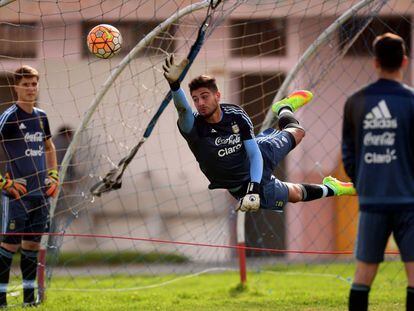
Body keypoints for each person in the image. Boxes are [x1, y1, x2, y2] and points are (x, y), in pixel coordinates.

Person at [162, 54, 356, 215]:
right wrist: (175, 85)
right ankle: (334, 188)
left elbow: (254, 153)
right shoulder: (193, 127)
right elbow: (183, 111)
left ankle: (285, 107)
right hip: (241, 186)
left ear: (217, 96)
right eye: (196, 99)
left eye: (204, 96)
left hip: (259, 156)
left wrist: (253, 187)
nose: (200, 103)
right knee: (295, 195)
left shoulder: (236, 115)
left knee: (298, 132)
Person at [342, 33, 414, 311]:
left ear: (375, 63)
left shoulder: (355, 102)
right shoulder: (410, 102)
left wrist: (364, 183)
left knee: (363, 276)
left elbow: (348, 153)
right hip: (409, 202)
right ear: (404, 61)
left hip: (372, 202)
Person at [0, 65, 59, 307]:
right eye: (26, 84)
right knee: (9, 245)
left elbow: (49, 147)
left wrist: (54, 176)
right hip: (17, 194)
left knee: (32, 245)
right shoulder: (9, 117)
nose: (31, 88)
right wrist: (4, 182)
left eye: (34, 83)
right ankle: (1, 300)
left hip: (39, 194)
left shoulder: (41, 116)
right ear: (16, 87)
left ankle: (29, 299)